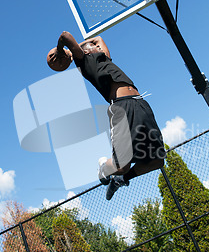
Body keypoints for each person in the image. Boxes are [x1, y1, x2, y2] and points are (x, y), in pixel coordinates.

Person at [47, 31, 165, 200]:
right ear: (86, 52)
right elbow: (65, 36)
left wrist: (82, 45)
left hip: (140, 103)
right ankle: (104, 167)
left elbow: (99, 39)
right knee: (122, 165)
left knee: (157, 161)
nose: (96, 46)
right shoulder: (85, 63)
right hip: (121, 108)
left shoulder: (106, 59)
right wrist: (62, 50)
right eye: (92, 47)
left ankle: (121, 180)